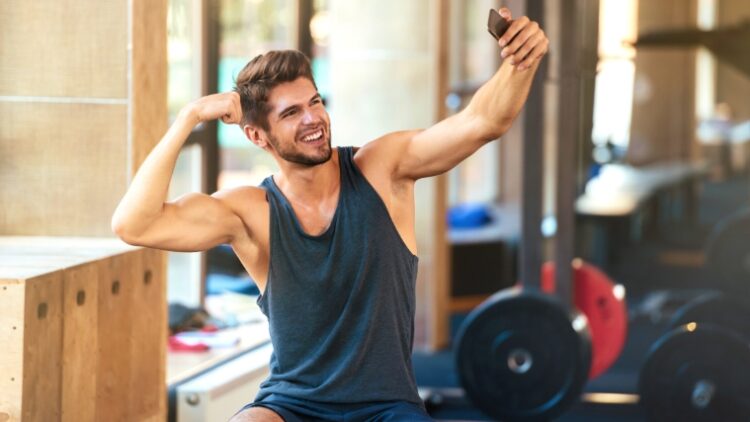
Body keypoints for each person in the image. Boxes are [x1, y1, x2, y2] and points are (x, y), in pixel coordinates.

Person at [112, 8, 548, 422]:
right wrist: (189, 117)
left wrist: (518, 63)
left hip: (386, 407)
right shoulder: (251, 212)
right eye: (291, 113)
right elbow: (135, 224)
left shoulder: (382, 168)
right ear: (256, 136)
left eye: (315, 101)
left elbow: (481, 122)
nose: (313, 119)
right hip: (291, 405)